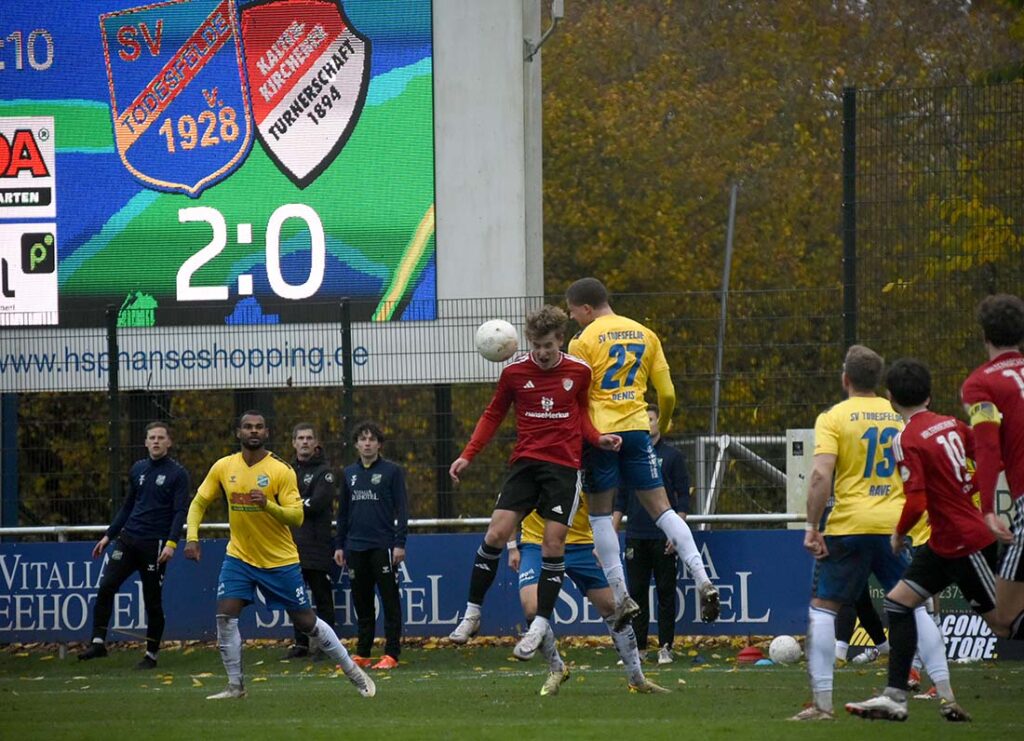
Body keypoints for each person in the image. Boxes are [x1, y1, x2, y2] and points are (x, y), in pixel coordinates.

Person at [447, 304, 622, 660]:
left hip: (563, 469)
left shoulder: (579, 371)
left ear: (561, 340)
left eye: (549, 345)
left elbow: (583, 416)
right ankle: (472, 613)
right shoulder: (514, 373)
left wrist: (598, 438)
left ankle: (541, 622)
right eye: (536, 345)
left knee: (552, 543)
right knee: (496, 533)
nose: (542, 353)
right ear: (528, 342)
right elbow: (493, 413)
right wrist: (469, 454)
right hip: (525, 464)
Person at [793, 345, 950, 721]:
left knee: (824, 608)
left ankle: (822, 704)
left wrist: (812, 526)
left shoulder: (833, 417)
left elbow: (819, 476)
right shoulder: (899, 418)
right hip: (895, 526)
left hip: (849, 525)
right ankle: (946, 695)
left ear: (845, 378)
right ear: (879, 382)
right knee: (916, 608)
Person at [184, 411, 375, 700]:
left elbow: (297, 517)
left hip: (280, 561)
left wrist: (269, 506)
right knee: (225, 616)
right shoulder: (223, 467)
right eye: (248, 427)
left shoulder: (280, 470)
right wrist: (192, 538)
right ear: (238, 433)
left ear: (267, 433)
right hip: (239, 557)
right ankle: (235, 686)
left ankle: (352, 671)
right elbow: (199, 502)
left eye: (259, 427)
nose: (253, 431)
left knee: (306, 621)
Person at [846, 358, 997, 722]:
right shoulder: (952, 423)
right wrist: (970, 487)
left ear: (890, 397)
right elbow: (987, 456)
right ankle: (896, 696)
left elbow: (916, 500)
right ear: (929, 394)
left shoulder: (906, 438)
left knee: (1006, 622)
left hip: (967, 543)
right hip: (943, 544)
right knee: (898, 602)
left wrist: (898, 534)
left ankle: (901, 694)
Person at [565, 277, 718, 629]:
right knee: (663, 510)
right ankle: (702, 578)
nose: (573, 319)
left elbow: (575, 396)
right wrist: (661, 422)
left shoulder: (583, 340)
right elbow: (667, 394)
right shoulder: (646, 335)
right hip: (637, 429)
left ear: (586, 309)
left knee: (601, 517)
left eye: (574, 312)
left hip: (601, 434)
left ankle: (621, 597)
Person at [509, 496, 668, 695]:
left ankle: (637, 679)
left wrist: (602, 544)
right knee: (532, 607)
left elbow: (603, 505)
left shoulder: (588, 467)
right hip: (536, 543)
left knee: (613, 607)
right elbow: (511, 502)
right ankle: (557, 669)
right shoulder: (535, 466)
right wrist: (511, 546)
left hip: (583, 544)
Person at [78, 421, 189, 669]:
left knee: (152, 600)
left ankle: (151, 655)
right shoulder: (138, 469)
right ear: (146, 442)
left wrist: (171, 543)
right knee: (107, 585)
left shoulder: (178, 474)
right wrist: (109, 536)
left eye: (161, 437)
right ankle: (98, 642)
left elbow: (180, 511)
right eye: (152, 437)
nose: (157, 441)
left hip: (155, 544)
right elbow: (128, 506)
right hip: (128, 539)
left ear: (169, 442)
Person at [960, 293, 1024, 641]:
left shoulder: (981, 383)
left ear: (984, 335)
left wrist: (986, 509)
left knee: (1003, 617)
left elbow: (985, 446)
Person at [612, 402, 689, 664]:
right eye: (643, 419)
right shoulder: (630, 457)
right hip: (635, 534)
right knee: (636, 594)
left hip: (663, 537)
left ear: (660, 423)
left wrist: (675, 534)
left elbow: (682, 501)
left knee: (666, 592)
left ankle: (665, 647)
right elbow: (620, 500)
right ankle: (639, 649)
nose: (648, 423)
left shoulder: (673, 456)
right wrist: (611, 532)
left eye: (652, 419)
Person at [333, 421, 408, 670]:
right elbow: (342, 513)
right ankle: (363, 653)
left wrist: (399, 543)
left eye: (371, 439)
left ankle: (392, 654)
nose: (367, 443)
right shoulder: (349, 474)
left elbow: (402, 510)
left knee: (389, 601)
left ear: (379, 444)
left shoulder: (392, 471)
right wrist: (340, 545)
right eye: (362, 439)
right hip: (355, 547)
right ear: (356, 444)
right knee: (362, 602)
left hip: (383, 546)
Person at [284, 423, 338, 660]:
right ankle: (301, 644)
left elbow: (317, 504)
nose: (304, 442)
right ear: (293, 443)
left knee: (322, 598)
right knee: (294, 597)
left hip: (317, 545)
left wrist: (292, 506)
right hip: (289, 545)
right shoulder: (285, 471)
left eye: (309, 438)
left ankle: (326, 645)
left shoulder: (324, 472)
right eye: (300, 438)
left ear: (316, 443)